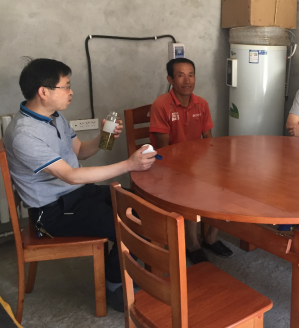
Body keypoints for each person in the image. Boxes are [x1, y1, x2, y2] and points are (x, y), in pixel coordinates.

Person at [3, 58, 157, 312]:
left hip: (77, 194)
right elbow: (71, 175)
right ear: (43, 92)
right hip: (51, 212)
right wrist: (129, 165)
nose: (71, 92)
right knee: (128, 225)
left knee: (139, 207)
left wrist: (104, 137)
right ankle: (115, 285)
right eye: (65, 86)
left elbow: (81, 152)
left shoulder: (55, 117)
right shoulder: (23, 134)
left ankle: (134, 267)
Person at [149, 58, 233, 264]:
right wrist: (191, 169)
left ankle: (210, 238)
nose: (187, 81)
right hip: (169, 166)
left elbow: (209, 140)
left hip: (198, 165)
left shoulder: (201, 104)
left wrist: (216, 167)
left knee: (226, 184)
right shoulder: (161, 104)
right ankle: (192, 244)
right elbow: (164, 150)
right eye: (180, 75)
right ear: (170, 79)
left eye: (191, 75)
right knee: (189, 189)